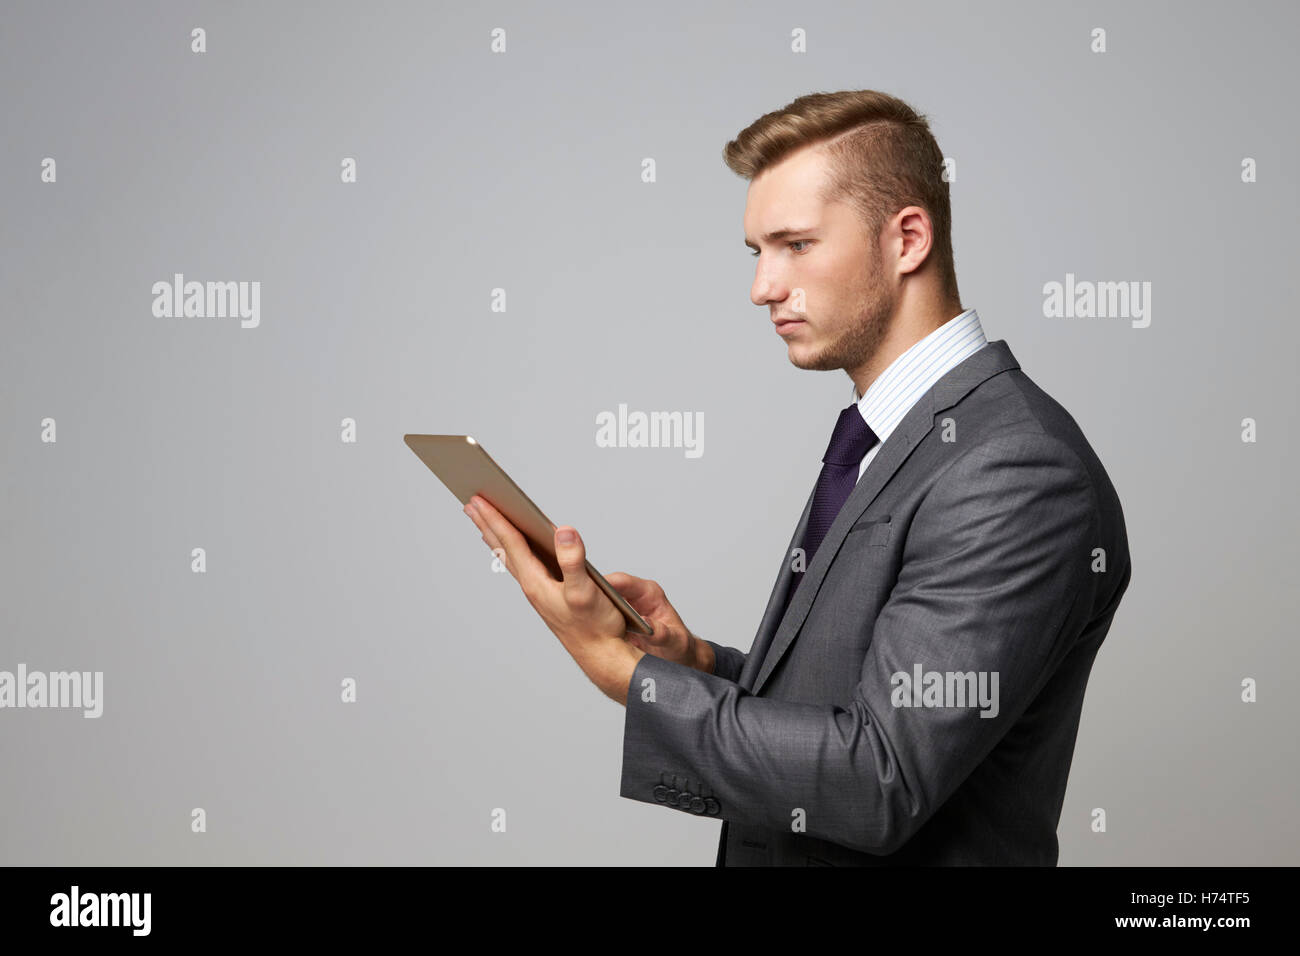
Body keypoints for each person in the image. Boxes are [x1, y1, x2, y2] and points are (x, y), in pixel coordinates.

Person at [462, 89, 1132, 866]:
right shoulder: (886, 438)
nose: (763, 288)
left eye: (796, 245)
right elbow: (852, 708)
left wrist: (630, 676)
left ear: (907, 238)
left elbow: (879, 777)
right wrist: (697, 665)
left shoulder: (1014, 469)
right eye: (757, 252)